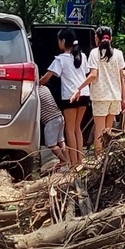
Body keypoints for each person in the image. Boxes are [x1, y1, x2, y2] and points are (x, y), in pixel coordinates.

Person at [79, 26, 125, 152]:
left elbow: (93, 75)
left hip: (100, 96)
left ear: (97, 38)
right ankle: (105, 159)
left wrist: (79, 88)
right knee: (108, 131)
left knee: (99, 131)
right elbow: (122, 78)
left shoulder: (94, 53)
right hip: (115, 96)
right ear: (111, 38)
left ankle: (98, 159)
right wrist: (124, 99)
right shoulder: (119, 54)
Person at [46, 32, 90, 166]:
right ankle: (80, 160)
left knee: (70, 129)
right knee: (78, 128)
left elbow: (48, 77)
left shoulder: (60, 59)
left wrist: (37, 83)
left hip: (69, 96)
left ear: (63, 41)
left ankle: (73, 162)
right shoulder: (82, 56)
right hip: (84, 94)